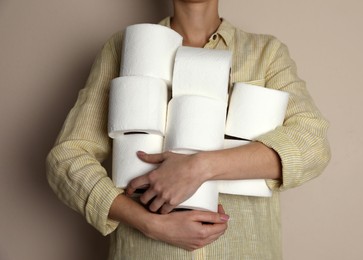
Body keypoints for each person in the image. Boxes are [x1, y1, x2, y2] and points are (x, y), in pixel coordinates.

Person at [46, 0, 331, 259]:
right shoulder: (126, 46)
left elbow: (312, 144)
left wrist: (199, 167)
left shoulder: (266, 54)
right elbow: (67, 158)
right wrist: (149, 223)